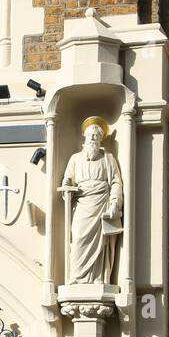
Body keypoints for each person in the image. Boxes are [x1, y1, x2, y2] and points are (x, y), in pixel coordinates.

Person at [61, 117, 124, 285]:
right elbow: (67, 180)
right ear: (85, 138)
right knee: (79, 239)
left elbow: (116, 182)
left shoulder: (108, 158)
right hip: (82, 203)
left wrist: (114, 203)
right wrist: (67, 188)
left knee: (100, 244)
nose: (93, 139)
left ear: (101, 139)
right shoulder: (75, 159)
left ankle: (98, 278)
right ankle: (77, 277)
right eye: (91, 136)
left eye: (97, 136)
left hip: (101, 203)